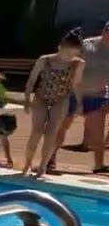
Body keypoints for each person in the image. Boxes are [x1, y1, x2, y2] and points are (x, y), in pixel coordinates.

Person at [22, 30, 86, 177]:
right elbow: (32, 80)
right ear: (59, 47)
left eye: (73, 54)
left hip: (61, 99)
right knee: (37, 132)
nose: (69, 57)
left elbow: (76, 84)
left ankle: (42, 167)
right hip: (41, 98)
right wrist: (26, 99)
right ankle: (27, 164)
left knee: (51, 134)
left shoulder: (78, 64)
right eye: (67, 53)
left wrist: (79, 103)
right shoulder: (45, 60)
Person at [56, 21, 109, 172]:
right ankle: (49, 160)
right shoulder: (87, 45)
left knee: (97, 134)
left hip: (96, 95)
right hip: (73, 93)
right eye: (107, 30)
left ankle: (99, 165)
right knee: (61, 127)